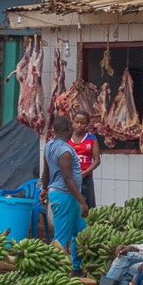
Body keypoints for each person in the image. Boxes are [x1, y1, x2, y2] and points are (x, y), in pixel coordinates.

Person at [40, 114, 88, 274]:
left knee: (80, 233)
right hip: (65, 196)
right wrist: (82, 202)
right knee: (61, 239)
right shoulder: (65, 151)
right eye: (72, 124)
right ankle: (53, 274)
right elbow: (68, 178)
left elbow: (46, 172)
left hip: (65, 196)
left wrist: (44, 189)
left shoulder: (49, 146)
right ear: (68, 128)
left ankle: (76, 268)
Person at [68, 110, 100, 208]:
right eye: (77, 122)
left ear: (87, 124)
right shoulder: (67, 138)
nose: (79, 125)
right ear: (72, 122)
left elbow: (97, 160)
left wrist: (86, 172)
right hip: (69, 178)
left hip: (86, 178)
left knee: (88, 206)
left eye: (82, 123)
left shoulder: (91, 139)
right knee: (71, 205)